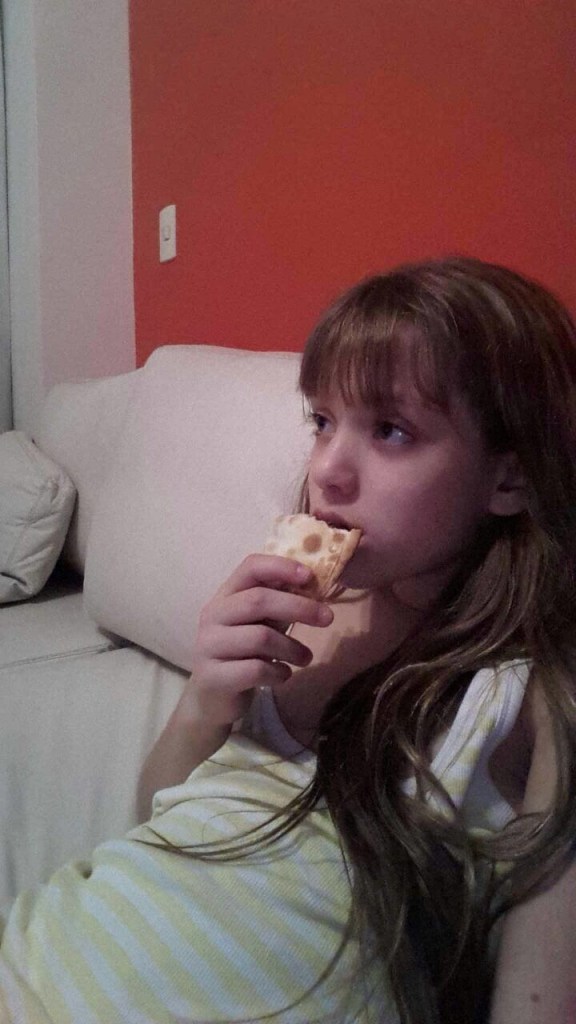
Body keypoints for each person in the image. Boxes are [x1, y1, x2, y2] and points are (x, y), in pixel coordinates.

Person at [2, 256, 576, 1024]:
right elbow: (161, 820)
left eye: (391, 431)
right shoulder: (301, 612)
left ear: (508, 480)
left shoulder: (528, 698)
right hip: (35, 950)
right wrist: (207, 698)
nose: (328, 469)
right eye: (322, 421)